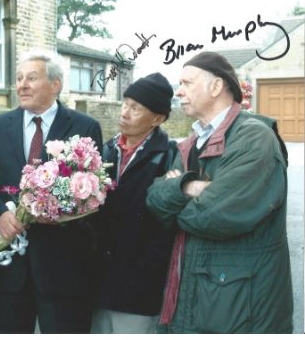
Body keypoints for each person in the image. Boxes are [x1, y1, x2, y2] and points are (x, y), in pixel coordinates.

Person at [146, 51, 293, 333]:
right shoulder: (191, 142)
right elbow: (155, 200)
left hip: (239, 311)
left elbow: (217, 214)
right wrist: (190, 187)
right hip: (200, 299)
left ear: (216, 87)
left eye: (188, 83)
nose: (179, 91)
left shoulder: (254, 137)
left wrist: (175, 193)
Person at [0, 50, 103, 334]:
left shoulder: (84, 127)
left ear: (56, 84)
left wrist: (60, 211)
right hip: (11, 274)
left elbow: (93, 194)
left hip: (64, 270)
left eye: (31, 78)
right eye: (19, 78)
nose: (22, 85)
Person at [91, 73, 177, 334]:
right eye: (125, 104)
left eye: (136, 108)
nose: (125, 113)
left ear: (158, 118)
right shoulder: (104, 151)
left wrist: (147, 271)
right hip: (98, 279)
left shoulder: (168, 156)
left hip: (139, 285)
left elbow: (168, 225)